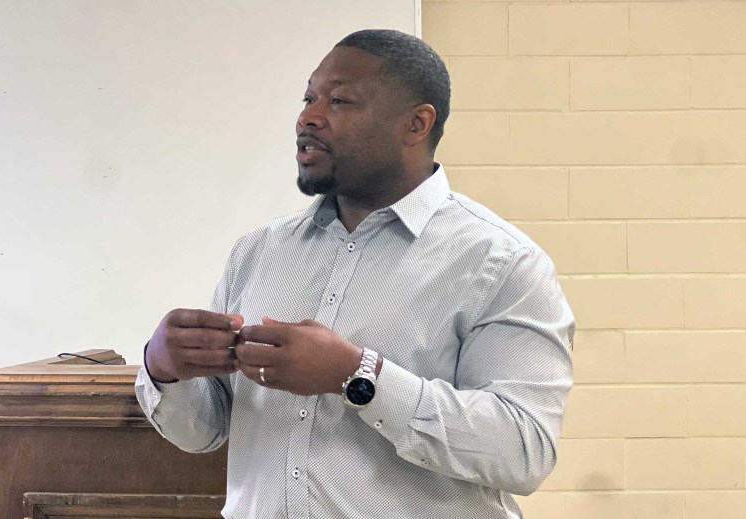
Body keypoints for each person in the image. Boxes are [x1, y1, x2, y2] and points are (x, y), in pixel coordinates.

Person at [135, 29, 574, 519]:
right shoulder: (258, 252)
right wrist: (164, 369)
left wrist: (358, 376)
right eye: (308, 98)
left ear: (416, 124)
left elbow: (524, 451)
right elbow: (203, 432)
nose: (309, 117)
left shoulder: (501, 263)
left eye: (339, 100)